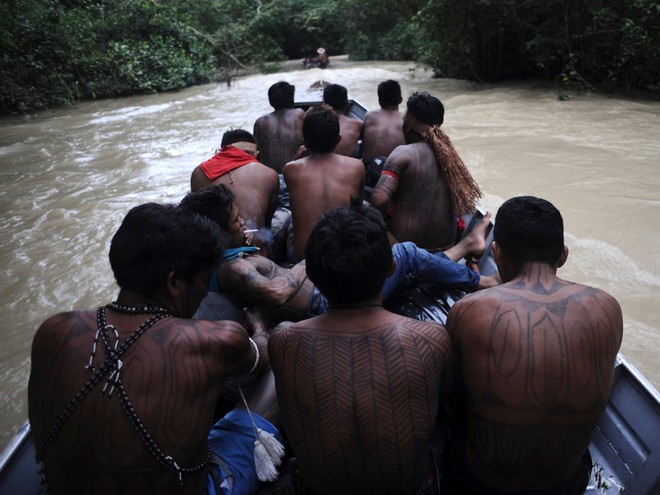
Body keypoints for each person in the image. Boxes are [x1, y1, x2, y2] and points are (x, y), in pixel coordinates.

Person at [28, 202, 281, 495]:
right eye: (202, 282)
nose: (202, 294)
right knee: (283, 355)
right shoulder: (215, 340)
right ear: (174, 282)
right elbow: (262, 356)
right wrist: (260, 326)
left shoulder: (52, 331)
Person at [268, 204, 453, 494]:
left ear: (313, 277)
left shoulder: (283, 340)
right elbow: (443, 394)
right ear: (392, 268)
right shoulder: (429, 339)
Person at [444, 196, 623, 495]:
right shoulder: (607, 307)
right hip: (567, 482)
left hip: (483, 482)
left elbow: (454, 390)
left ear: (497, 253)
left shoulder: (469, 310)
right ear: (563, 255)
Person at [180, 185, 500, 325]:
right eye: (235, 218)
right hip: (324, 302)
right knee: (407, 253)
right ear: (219, 231)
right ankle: (483, 279)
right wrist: (308, 264)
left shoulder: (221, 261)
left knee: (407, 266)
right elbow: (276, 292)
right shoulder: (232, 267)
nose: (242, 221)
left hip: (321, 294)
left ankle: (464, 247)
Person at [370, 91, 482, 251]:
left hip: (406, 249)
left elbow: (379, 199)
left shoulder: (403, 153)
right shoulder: (452, 158)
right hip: (445, 246)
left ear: (408, 128)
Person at [283, 106, 365, 263]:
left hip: (304, 257)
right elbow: (358, 208)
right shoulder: (357, 166)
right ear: (338, 140)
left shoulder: (290, 169)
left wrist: (296, 158)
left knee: (287, 220)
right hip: (346, 253)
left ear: (304, 143)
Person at [191, 128, 279, 258]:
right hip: (256, 255)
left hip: (213, 257)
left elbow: (196, 219)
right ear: (254, 154)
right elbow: (266, 226)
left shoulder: (198, 172)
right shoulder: (268, 173)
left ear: (221, 151)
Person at [253, 81, 305, 174]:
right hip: (292, 175)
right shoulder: (299, 114)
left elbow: (255, 150)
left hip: (268, 177)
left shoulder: (260, 122)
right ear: (291, 98)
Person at [361, 79, 406, 165]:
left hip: (369, 169)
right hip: (393, 171)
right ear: (400, 100)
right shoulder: (406, 120)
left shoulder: (369, 116)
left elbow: (363, 140)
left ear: (379, 101)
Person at [322, 83, 363, 157]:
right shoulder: (358, 124)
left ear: (324, 104)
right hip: (346, 165)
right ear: (346, 104)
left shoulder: (312, 122)